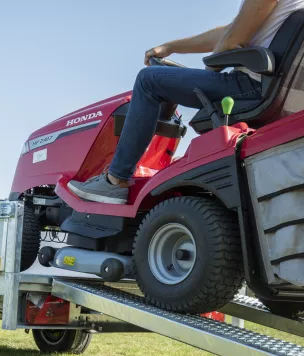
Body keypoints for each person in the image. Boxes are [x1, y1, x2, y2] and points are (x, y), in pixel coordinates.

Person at [69, 0, 304, 205]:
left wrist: (210, 68)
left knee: (148, 80)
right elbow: (230, 31)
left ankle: (115, 180)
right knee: (162, 80)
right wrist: (172, 47)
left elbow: (233, 40)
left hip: (249, 86)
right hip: (277, 95)